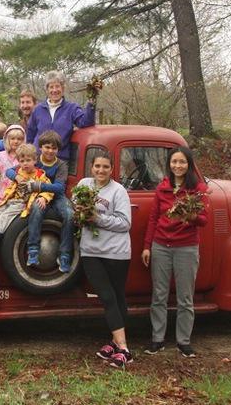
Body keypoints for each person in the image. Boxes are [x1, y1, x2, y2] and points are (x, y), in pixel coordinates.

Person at [142, 146, 208, 359]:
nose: (177, 166)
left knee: (185, 297)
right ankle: (157, 339)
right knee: (159, 295)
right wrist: (147, 246)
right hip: (161, 245)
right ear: (169, 164)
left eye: (182, 162)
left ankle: (184, 342)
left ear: (189, 165)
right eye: (174, 162)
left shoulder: (197, 189)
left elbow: (204, 220)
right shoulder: (162, 188)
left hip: (186, 247)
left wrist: (190, 216)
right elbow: (153, 218)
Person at [74, 150, 133, 368]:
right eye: (97, 166)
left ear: (112, 169)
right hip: (91, 251)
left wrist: (96, 218)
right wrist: (79, 212)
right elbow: (75, 205)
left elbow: (125, 223)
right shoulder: (84, 185)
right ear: (91, 167)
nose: (101, 170)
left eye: (105, 167)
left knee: (117, 297)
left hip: (116, 252)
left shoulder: (119, 191)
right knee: (107, 296)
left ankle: (118, 346)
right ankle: (123, 347)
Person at [5, 130, 74, 272]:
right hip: (36, 196)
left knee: (69, 214)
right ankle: (33, 250)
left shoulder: (61, 165)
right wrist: (17, 177)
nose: (50, 151)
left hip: (55, 197)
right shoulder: (33, 160)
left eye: (54, 148)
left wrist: (40, 188)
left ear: (58, 150)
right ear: (41, 147)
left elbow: (60, 188)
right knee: (36, 209)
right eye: (47, 147)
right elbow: (9, 171)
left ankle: (65, 254)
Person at [0, 144, 53, 255]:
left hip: (23, 203)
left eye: (28, 160)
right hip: (11, 200)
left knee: (4, 218)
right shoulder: (19, 172)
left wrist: (43, 197)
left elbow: (48, 188)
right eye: (22, 161)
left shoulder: (40, 175)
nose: (25, 163)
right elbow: (11, 184)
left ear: (35, 160)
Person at [26, 70, 96, 161]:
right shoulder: (38, 109)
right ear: (47, 90)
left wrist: (92, 101)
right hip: (38, 159)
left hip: (60, 161)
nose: (54, 90)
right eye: (51, 87)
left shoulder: (71, 108)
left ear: (63, 89)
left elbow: (85, 122)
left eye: (57, 86)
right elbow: (30, 135)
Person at [0, 124, 25, 208]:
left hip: (18, 197)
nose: (16, 141)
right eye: (13, 139)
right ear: (7, 140)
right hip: (1, 194)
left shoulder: (25, 157)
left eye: (19, 139)